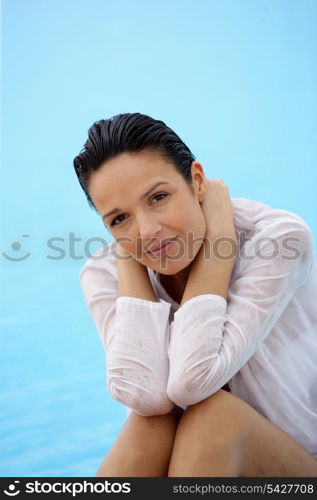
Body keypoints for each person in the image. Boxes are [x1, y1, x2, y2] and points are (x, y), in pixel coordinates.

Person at [73, 112, 317, 477]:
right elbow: (145, 396)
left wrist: (220, 242)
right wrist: (128, 258)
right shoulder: (103, 273)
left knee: (212, 416)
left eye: (158, 197)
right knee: (150, 423)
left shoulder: (278, 240)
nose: (149, 229)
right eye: (119, 218)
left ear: (197, 181)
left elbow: (191, 382)